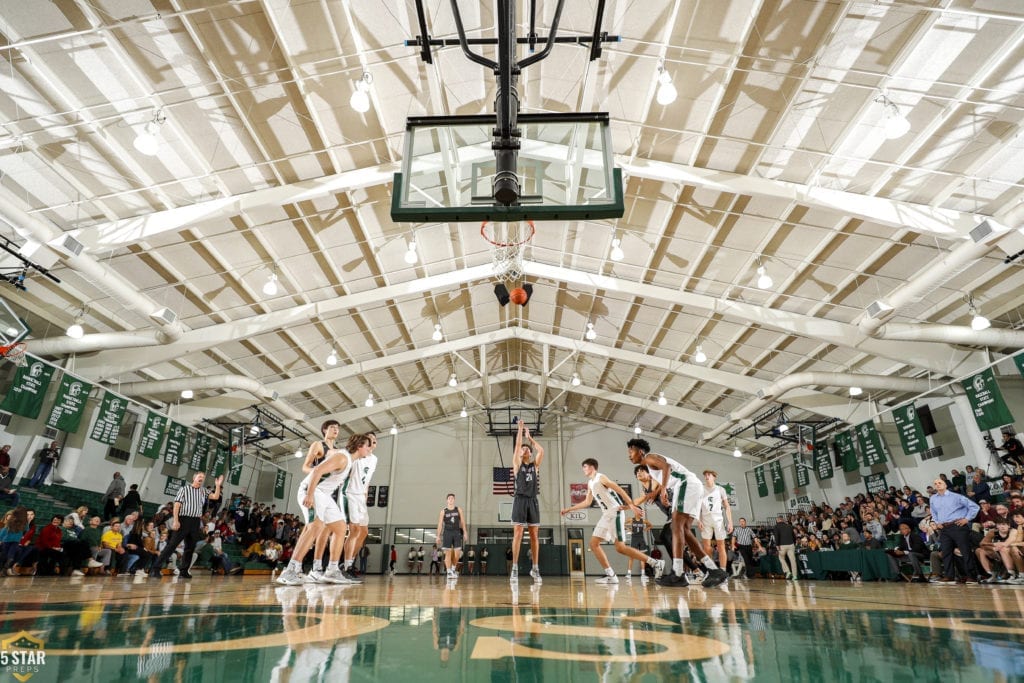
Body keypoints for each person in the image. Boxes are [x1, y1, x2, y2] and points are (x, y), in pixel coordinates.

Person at [626, 438, 728, 588]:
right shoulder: (651, 467)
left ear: (640, 451)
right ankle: (713, 569)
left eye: (631, 451)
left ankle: (678, 573)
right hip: (691, 486)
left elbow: (666, 466)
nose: (629, 455)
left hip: (687, 484)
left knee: (675, 526)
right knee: (684, 530)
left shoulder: (649, 457)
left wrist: (662, 490)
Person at [277, 434, 369, 585]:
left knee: (340, 528)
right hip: (312, 491)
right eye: (367, 445)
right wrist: (310, 495)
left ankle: (332, 571)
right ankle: (290, 571)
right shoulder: (343, 458)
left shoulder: (349, 460)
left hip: (324, 495)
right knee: (316, 527)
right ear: (359, 446)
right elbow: (317, 470)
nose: (369, 449)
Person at [560, 458, 664, 584]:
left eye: (585, 467)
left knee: (620, 548)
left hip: (615, 512)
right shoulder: (590, 483)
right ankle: (611, 575)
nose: (583, 469)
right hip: (606, 515)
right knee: (594, 544)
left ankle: (655, 563)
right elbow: (587, 502)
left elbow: (619, 489)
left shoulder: (601, 477)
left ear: (592, 467)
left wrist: (631, 506)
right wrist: (569, 509)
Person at [149, 472, 223, 579]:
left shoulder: (203, 491)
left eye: (203, 477)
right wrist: (175, 520)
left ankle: (184, 571)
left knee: (190, 547)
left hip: (195, 521)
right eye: (199, 476)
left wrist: (217, 485)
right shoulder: (184, 489)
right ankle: (155, 569)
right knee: (172, 545)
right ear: (194, 478)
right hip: (183, 519)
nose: (201, 478)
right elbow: (177, 505)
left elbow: (215, 496)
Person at [293, 420, 341, 583]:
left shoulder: (338, 451)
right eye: (332, 427)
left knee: (324, 529)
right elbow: (305, 467)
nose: (336, 430)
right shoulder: (318, 445)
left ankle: (316, 567)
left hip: (327, 493)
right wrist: (317, 471)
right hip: (312, 489)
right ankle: (295, 567)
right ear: (324, 430)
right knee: (311, 527)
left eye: (337, 428)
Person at [510, 419, 545, 583]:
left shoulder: (534, 465)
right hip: (519, 500)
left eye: (527, 449)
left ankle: (535, 568)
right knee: (518, 533)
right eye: (523, 448)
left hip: (533, 501)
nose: (524, 449)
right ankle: (515, 568)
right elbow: (517, 447)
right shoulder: (517, 465)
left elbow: (542, 451)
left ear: (530, 453)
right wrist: (520, 429)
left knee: (534, 536)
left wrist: (530, 438)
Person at [341, 431, 378, 581]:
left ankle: (350, 563)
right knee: (354, 530)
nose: (373, 441)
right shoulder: (356, 456)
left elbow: (368, 479)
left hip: (361, 497)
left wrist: (366, 494)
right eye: (370, 439)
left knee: (363, 532)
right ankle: (345, 567)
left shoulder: (374, 459)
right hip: (350, 494)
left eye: (375, 439)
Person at [930, 477, 980, 584]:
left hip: (958, 526)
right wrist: (937, 522)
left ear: (945, 485)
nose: (937, 485)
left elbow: (974, 507)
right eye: (935, 483)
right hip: (944, 528)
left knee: (965, 551)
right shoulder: (933, 498)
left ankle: (972, 576)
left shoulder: (956, 496)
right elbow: (933, 512)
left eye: (940, 483)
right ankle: (949, 576)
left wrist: (966, 519)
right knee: (946, 552)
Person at [699, 470, 733, 570]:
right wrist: (699, 520)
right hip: (705, 520)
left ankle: (723, 570)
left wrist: (730, 522)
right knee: (706, 547)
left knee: (721, 546)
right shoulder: (701, 489)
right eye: (705, 475)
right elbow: (697, 507)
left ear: (714, 477)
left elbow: (727, 507)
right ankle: (711, 570)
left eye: (708, 475)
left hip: (718, 520)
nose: (706, 476)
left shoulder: (720, 489)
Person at [438, 493, 468, 579]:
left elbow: (462, 522)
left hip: (456, 532)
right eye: (449, 498)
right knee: (447, 553)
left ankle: (453, 568)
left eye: (452, 498)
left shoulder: (458, 509)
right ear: (447, 500)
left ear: (454, 500)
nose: (451, 499)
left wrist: (465, 532)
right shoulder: (443, 511)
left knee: (457, 553)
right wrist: (438, 536)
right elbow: (440, 524)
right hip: (447, 532)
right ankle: (449, 572)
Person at [625, 513, 652, 580]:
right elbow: (623, 524)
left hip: (641, 538)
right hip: (634, 538)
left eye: (641, 512)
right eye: (639, 512)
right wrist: (628, 529)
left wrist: (645, 529)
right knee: (631, 556)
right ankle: (629, 573)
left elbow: (650, 525)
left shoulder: (643, 520)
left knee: (642, 557)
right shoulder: (631, 519)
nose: (640, 513)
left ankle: (643, 574)